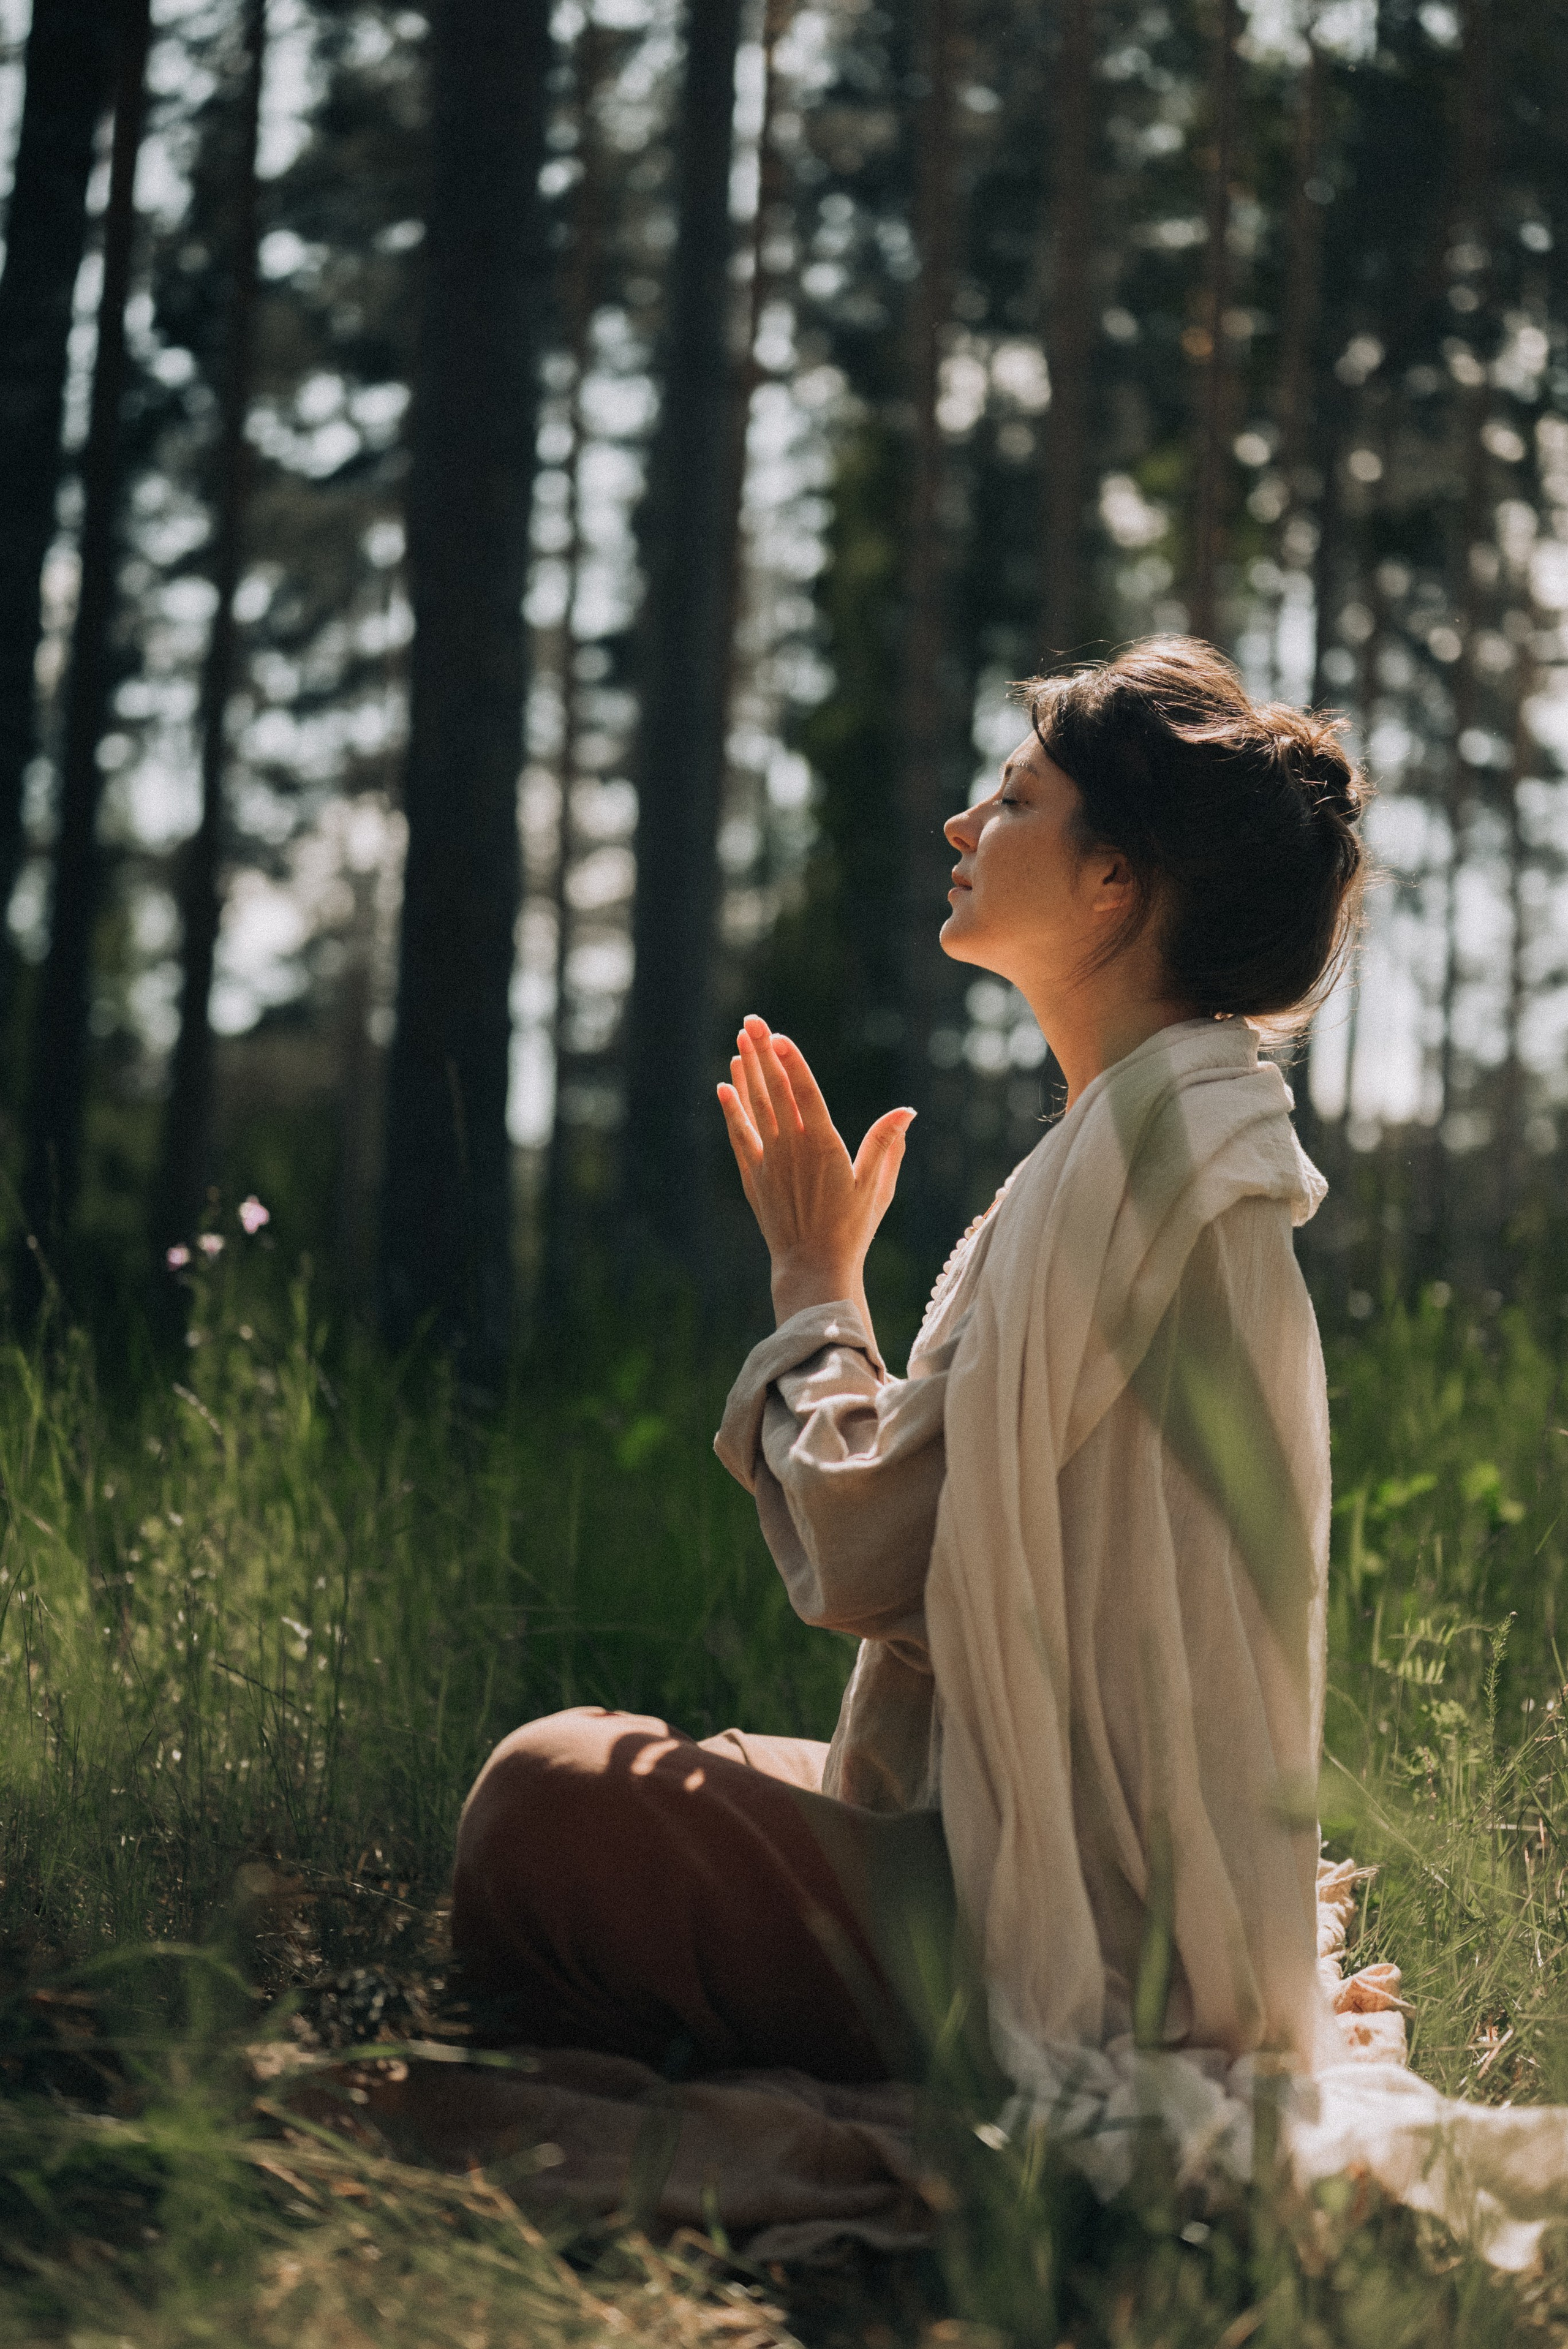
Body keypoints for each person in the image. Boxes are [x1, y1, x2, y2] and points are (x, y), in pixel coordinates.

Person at [450, 636, 1365, 2096]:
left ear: (1112, 883)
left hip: (1060, 1925)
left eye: (1010, 801)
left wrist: (815, 1288)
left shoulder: (1136, 1165)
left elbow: (877, 1550)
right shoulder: (1152, 1140)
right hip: (1047, 1848)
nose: (960, 825)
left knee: (543, 1795)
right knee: (656, 1765)